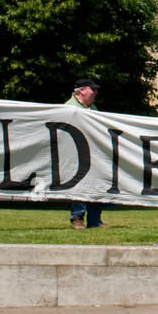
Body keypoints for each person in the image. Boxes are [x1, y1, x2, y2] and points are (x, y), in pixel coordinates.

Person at [65, 78, 105, 230]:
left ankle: (95, 220)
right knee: (79, 187)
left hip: (94, 156)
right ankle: (77, 218)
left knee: (96, 187)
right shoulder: (68, 108)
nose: (96, 92)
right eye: (93, 89)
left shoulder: (93, 108)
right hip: (75, 156)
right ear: (82, 90)